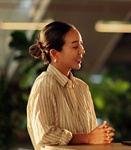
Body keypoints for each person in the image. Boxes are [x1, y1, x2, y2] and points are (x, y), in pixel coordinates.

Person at [26, 21, 115, 150]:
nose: (82, 51)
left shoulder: (81, 87)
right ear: (54, 54)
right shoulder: (45, 84)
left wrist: (99, 136)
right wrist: (87, 138)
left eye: (81, 45)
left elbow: (91, 134)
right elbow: (45, 135)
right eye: (75, 47)